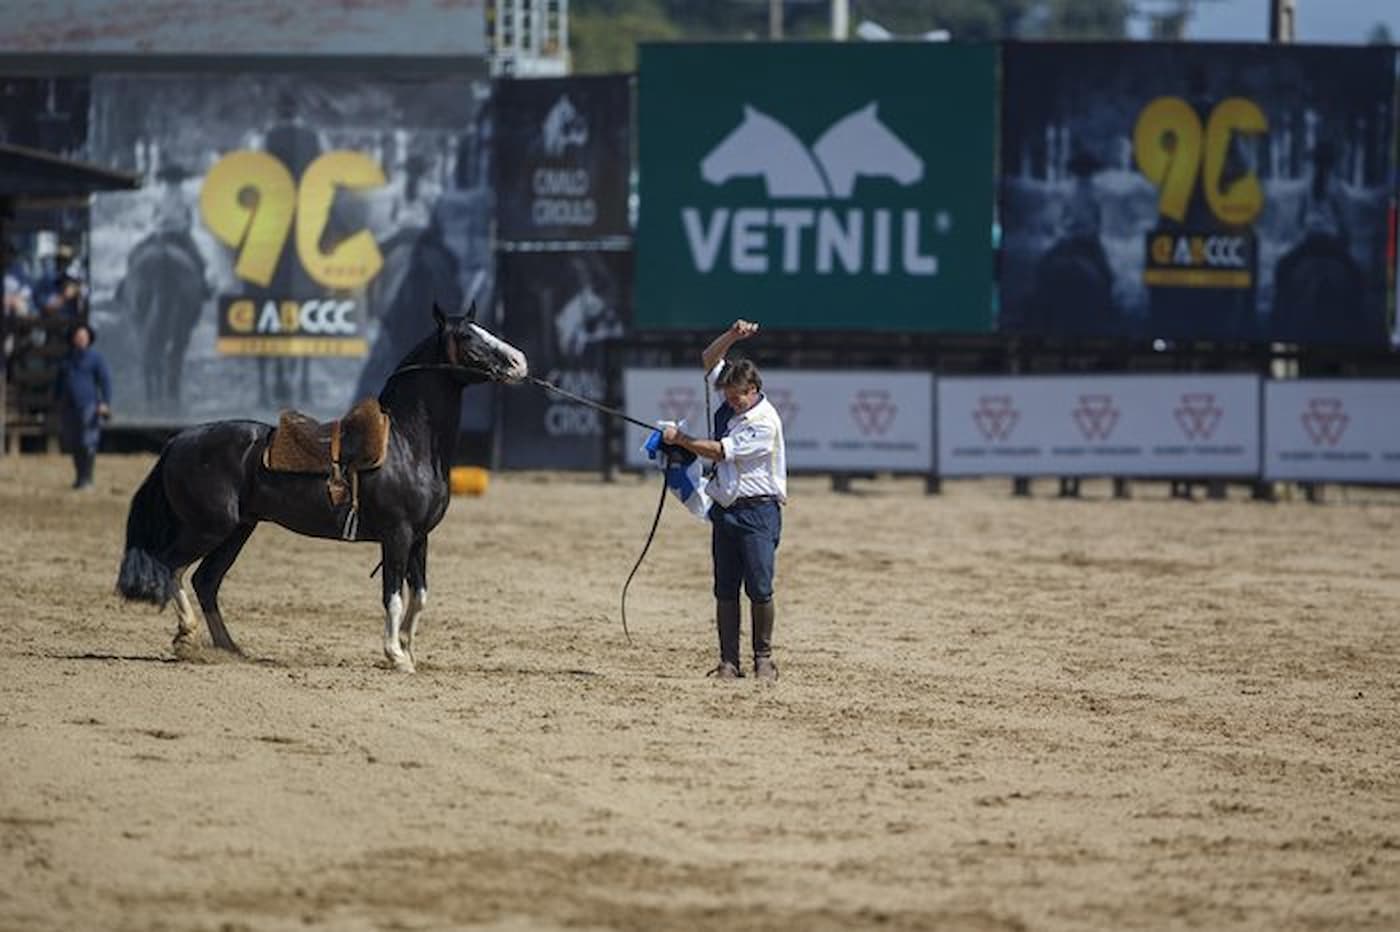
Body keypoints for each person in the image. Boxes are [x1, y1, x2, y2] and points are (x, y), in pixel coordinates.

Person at [662, 319, 787, 681]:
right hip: (725, 510)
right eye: (728, 397)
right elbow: (708, 358)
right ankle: (729, 662)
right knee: (725, 588)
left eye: (738, 398)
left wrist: (681, 439)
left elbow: (719, 452)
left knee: (760, 587)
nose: (731, 403)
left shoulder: (764, 422)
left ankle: (763, 658)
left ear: (754, 389)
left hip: (758, 511)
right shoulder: (733, 401)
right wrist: (732, 336)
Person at [53, 322, 112, 490]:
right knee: (74, 443)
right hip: (69, 407)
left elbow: (105, 382)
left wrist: (105, 403)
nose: (81, 339)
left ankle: (88, 478)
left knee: (88, 443)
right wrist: (56, 403)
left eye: (84, 337)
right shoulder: (65, 360)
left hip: (89, 407)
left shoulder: (96, 359)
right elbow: (58, 384)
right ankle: (79, 477)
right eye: (78, 337)